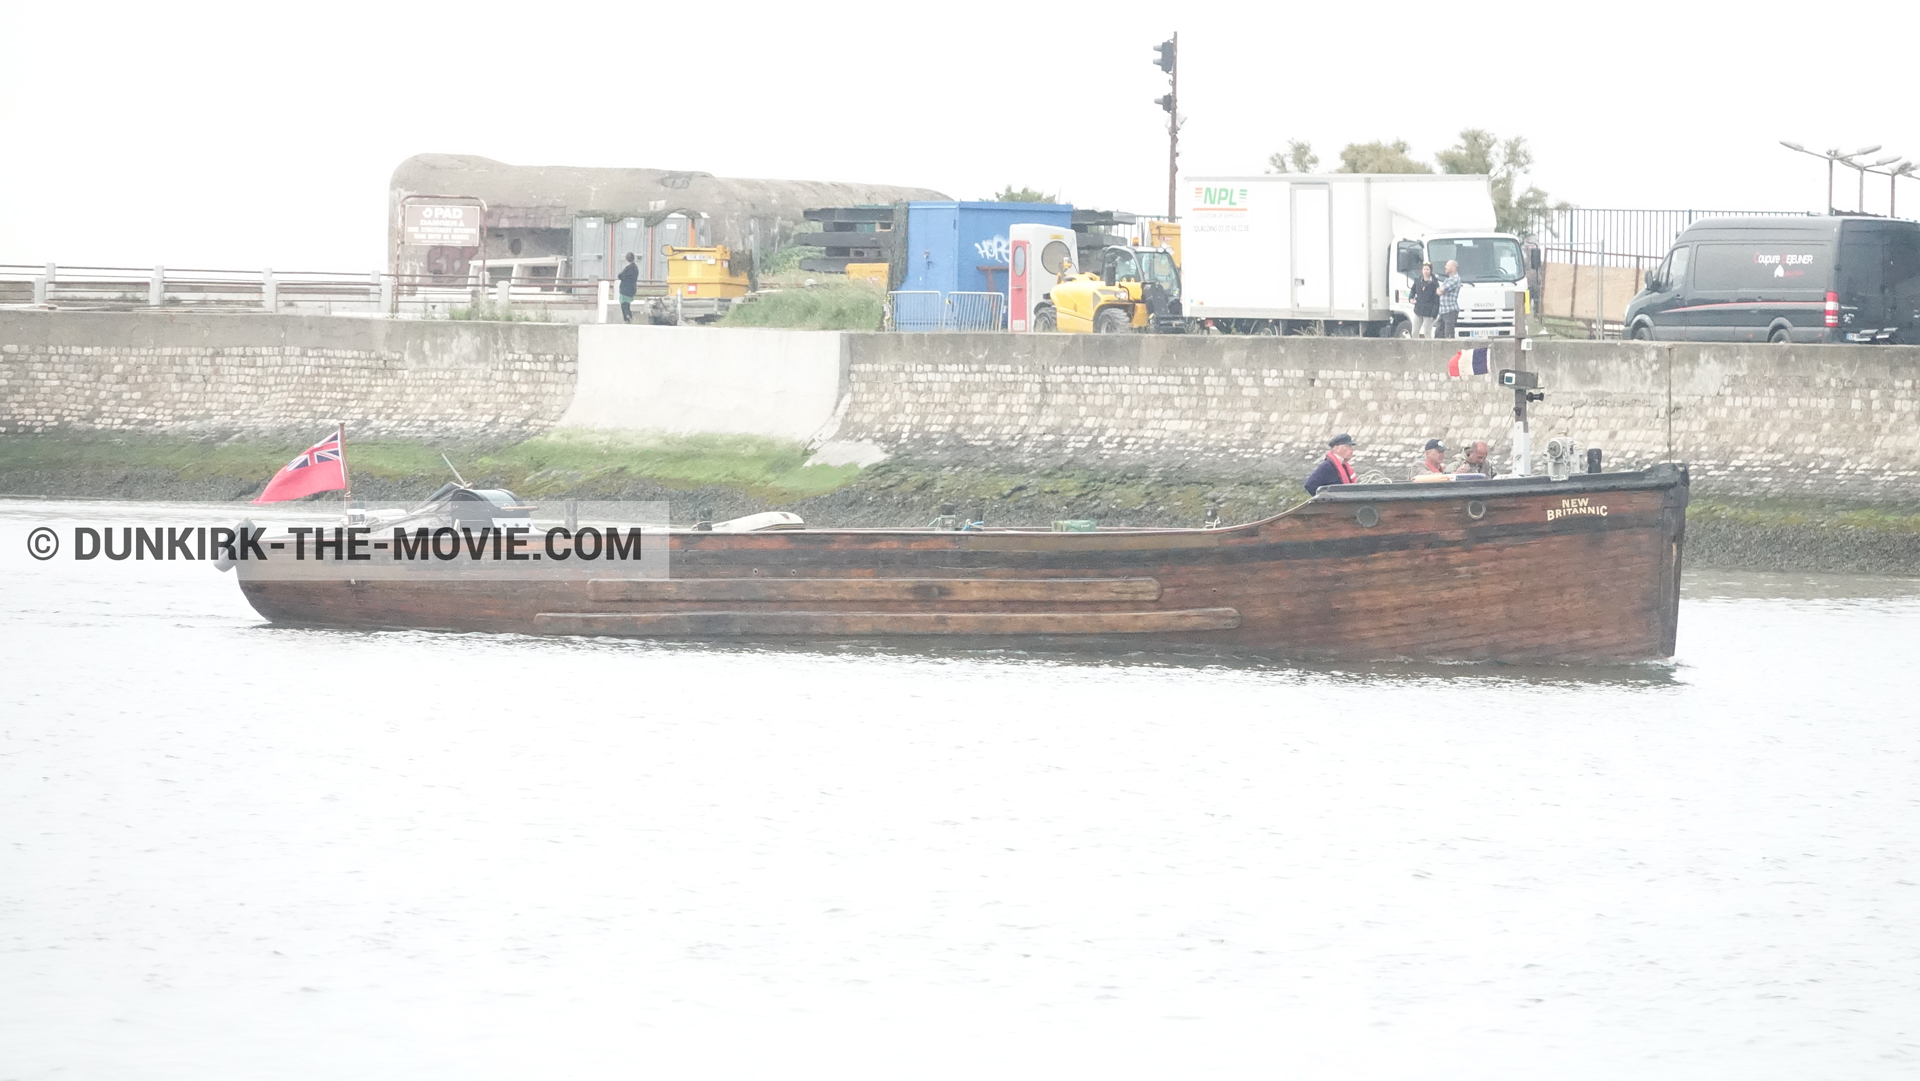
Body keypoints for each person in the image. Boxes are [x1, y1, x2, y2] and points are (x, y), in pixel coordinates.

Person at [1408, 262, 1440, 338]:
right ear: (1422, 270)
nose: (1425, 271)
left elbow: (1437, 300)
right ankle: (1416, 347)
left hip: (1429, 311)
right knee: (1414, 331)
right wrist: (1410, 298)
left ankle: (1429, 348)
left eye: (1427, 269)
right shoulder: (1418, 281)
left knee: (1427, 331)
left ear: (1430, 271)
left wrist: (1434, 314)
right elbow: (1412, 291)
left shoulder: (1434, 283)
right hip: (1418, 309)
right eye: (1424, 269)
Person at [1434, 259, 1463, 341]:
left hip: (1450, 311)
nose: (1445, 267)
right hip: (1443, 311)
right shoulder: (1447, 279)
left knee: (1449, 335)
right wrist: (1440, 290)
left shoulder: (1455, 279)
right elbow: (1438, 291)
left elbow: (1442, 290)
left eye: (1447, 266)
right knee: (1438, 334)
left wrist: (1440, 290)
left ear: (1453, 267)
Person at [616, 252, 640, 324]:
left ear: (627, 259)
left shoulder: (628, 268)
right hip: (632, 288)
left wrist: (624, 278)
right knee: (628, 304)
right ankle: (629, 317)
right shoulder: (635, 268)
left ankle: (626, 318)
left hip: (625, 288)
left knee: (623, 304)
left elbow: (620, 275)